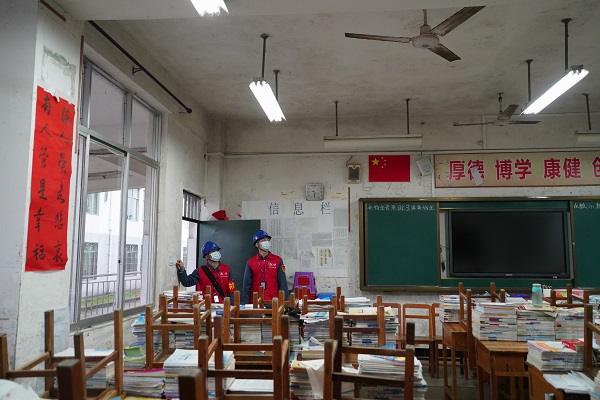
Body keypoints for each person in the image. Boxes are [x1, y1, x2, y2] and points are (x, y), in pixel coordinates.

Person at [242, 230, 289, 304]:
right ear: (257, 244)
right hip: (255, 302)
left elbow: (283, 284)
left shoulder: (277, 260)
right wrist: (245, 304)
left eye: (267, 240)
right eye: (263, 240)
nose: (266, 242)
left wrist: (283, 303)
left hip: (273, 302)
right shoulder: (250, 262)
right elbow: (246, 286)